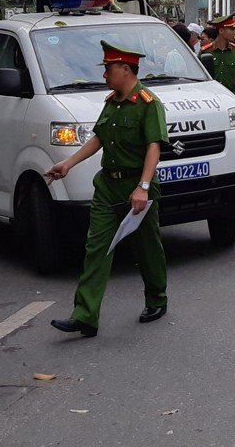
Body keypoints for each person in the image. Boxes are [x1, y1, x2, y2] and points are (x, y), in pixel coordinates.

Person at [46, 43, 169, 336]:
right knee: (96, 248)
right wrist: (68, 163)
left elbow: (154, 147)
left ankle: (157, 298)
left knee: (147, 247)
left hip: (136, 187)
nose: (104, 75)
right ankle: (86, 316)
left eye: (108, 69)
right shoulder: (111, 102)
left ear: (126, 69)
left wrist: (143, 187)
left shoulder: (148, 104)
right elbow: (99, 138)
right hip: (107, 187)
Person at [204, 15, 235, 112]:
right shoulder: (206, 51)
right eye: (231, 29)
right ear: (221, 31)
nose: (234, 32)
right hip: (210, 100)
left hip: (231, 98)